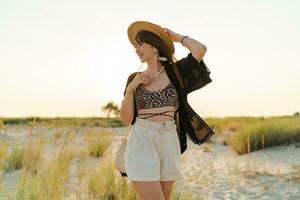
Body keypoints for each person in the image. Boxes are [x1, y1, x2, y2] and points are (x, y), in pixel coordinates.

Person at [120, 21, 214, 200]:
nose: (136, 49)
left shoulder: (176, 72)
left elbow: (200, 49)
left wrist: (177, 38)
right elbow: (125, 119)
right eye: (135, 46)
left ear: (155, 47)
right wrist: (131, 89)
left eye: (140, 44)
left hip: (169, 139)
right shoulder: (134, 78)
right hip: (141, 139)